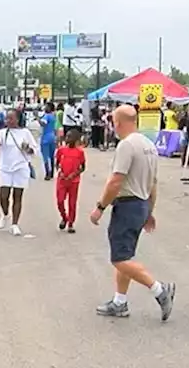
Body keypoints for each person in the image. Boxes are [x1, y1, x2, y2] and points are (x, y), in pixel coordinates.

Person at [89, 105, 175, 321]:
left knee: (119, 259)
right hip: (141, 203)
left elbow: (116, 181)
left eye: (114, 122)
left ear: (118, 122)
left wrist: (100, 207)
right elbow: (153, 183)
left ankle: (159, 290)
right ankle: (120, 302)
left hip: (127, 206)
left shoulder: (127, 146)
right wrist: (150, 210)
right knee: (125, 255)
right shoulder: (149, 145)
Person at [0, 108, 34, 236]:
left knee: (17, 196)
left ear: (18, 119)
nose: (8, 121)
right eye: (7, 118)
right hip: (5, 168)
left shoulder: (25, 133)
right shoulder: (4, 132)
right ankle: (5, 214)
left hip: (20, 168)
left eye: (11, 118)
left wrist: (27, 149)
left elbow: (33, 151)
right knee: (3, 196)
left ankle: (15, 224)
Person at [55, 128, 86, 232]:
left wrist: (74, 174)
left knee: (72, 203)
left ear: (76, 139)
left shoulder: (79, 152)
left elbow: (83, 167)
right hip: (62, 180)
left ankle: (71, 223)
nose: (67, 138)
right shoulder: (61, 150)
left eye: (70, 137)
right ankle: (64, 217)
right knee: (60, 201)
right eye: (66, 136)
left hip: (74, 181)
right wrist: (61, 172)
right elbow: (57, 163)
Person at [39, 103, 59, 180]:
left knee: (45, 157)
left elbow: (43, 124)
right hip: (52, 137)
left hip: (45, 138)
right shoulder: (53, 116)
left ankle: (47, 173)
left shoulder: (46, 116)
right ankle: (52, 173)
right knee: (51, 156)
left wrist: (37, 117)